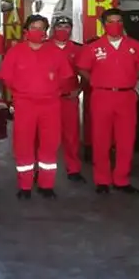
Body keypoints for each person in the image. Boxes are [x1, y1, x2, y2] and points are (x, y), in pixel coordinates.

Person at [75, 8, 139, 195]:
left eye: (118, 21)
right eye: (110, 22)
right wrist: (94, 80)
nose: (115, 25)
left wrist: (132, 78)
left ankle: (122, 179)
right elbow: (82, 67)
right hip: (102, 96)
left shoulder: (134, 45)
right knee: (101, 140)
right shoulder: (93, 47)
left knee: (126, 140)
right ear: (103, 25)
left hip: (126, 96)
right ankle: (102, 180)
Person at [2, 15, 74, 199]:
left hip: (50, 105)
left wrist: (50, 90)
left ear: (46, 31)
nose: (37, 31)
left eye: (41, 28)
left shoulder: (55, 52)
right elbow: (7, 78)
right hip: (24, 104)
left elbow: (65, 77)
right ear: (26, 30)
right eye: (33, 27)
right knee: (23, 145)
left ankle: (46, 184)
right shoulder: (15, 52)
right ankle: (25, 186)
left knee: (50, 145)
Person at [51, 16, 87, 183]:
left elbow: (86, 73)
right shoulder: (44, 48)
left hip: (68, 100)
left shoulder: (78, 50)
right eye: (60, 26)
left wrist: (79, 90)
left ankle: (73, 169)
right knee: (45, 137)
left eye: (66, 26)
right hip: (47, 100)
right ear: (53, 28)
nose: (63, 29)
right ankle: (41, 171)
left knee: (71, 136)